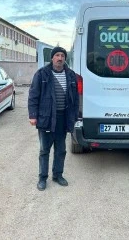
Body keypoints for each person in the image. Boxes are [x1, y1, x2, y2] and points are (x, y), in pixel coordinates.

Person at [28, 46, 79, 191]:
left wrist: (75, 116)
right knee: (45, 150)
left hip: (63, 118)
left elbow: (75, 99)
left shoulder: (71, 75)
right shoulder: (42, 74)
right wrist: (33, 115)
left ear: (65, 58)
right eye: (57, 55)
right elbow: (33, 96)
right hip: (47, 118)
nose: (60, 58)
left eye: (62, 55)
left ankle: (57, 175)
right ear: (52, 58)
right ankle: (42, 178)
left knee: (61, 149)